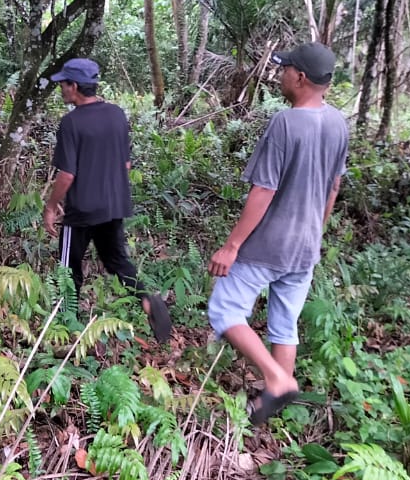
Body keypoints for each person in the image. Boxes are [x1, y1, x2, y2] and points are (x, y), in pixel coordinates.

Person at [207, 41, 349, 424]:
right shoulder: (338, 123)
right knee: (284, 325)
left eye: (285, 69)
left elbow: (264, 190)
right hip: (306, 246)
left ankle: (277, 380)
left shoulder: (286, 123)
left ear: (300, 78)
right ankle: (272, 400)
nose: (280, 74)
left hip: (269, 245)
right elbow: (333, 187)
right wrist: (315, 232)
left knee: (224, 310)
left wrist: (231, 245)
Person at [41, 57, 172, 343]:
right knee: (117, 261)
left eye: (63, 84)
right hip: (113, 205)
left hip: (81, 211)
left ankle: (67, 326)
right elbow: (125, 166)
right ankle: (147, 301)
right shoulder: (116, 114)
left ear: (74, 86)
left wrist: (50, 208)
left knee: (68, 269)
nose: (61, 89)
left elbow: (66, 175)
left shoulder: (71, 123)